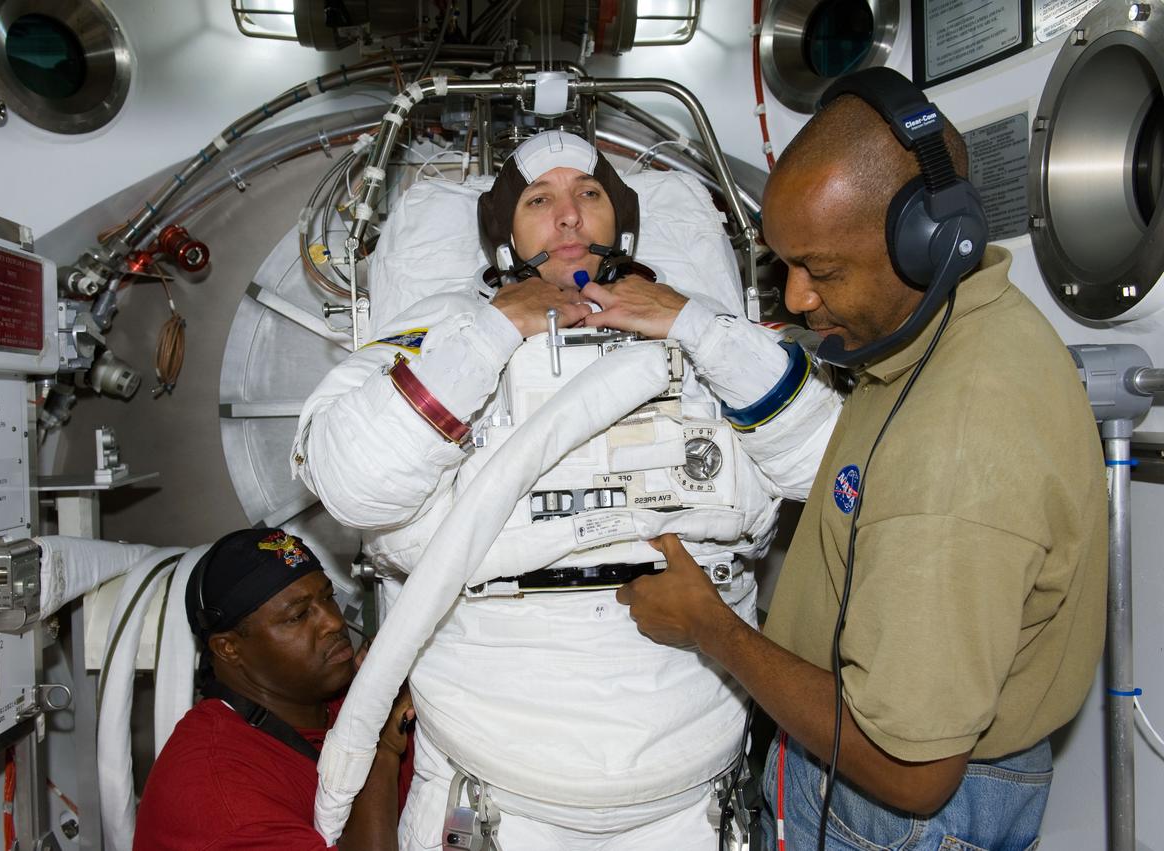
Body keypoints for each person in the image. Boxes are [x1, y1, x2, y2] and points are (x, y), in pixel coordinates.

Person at [292, 130, 840, 849]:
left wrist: (692, 324)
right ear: (503, 237)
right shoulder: (441, 335)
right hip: (496, 786)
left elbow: (829, 466)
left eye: (589, 193)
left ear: (623, 219)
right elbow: (355, 484)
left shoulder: (711, 330)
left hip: (690, 784)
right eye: (538, 200)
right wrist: (492, 333)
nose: (569, 214)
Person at [607, 69, 1108, 849]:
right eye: (785, 264)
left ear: (928, 244)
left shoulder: (953, 459)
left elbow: (912, 771)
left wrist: (711, 626)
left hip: (894, 812)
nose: (797, 298)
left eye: (824, 270)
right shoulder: (943, 330)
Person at [134, 528, 414, 851]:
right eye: (298, 615)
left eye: (328, 598)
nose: (333, 622)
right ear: (229, 649)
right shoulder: (217, 794)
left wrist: (393, 678)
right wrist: (379, 745)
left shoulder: (346, 695)